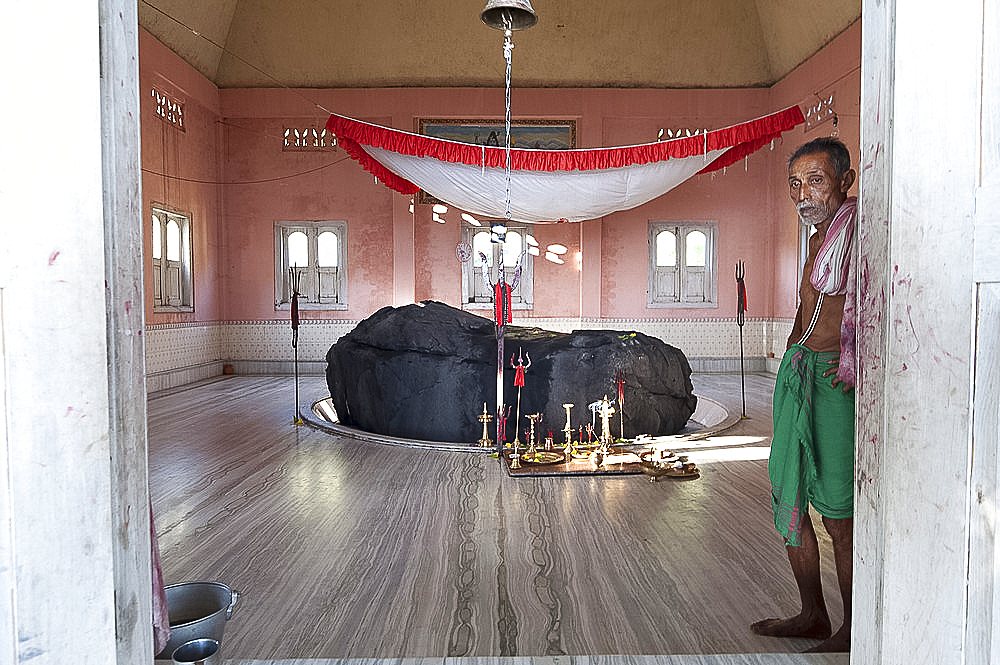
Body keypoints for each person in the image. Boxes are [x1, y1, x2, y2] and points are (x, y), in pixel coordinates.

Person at [751, 137, 857, 653]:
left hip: (837, 381)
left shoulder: (861, 234)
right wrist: (792, 354)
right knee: (787, 493)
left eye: (815, 179)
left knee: (838, 511)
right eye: (795, 182)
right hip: (800, 373)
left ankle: (856, 625)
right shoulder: (818, 238)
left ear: (845, 181)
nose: (803, 192)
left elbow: (874, 308)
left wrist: (854, 362)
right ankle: (813, 613)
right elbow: (806, 312)